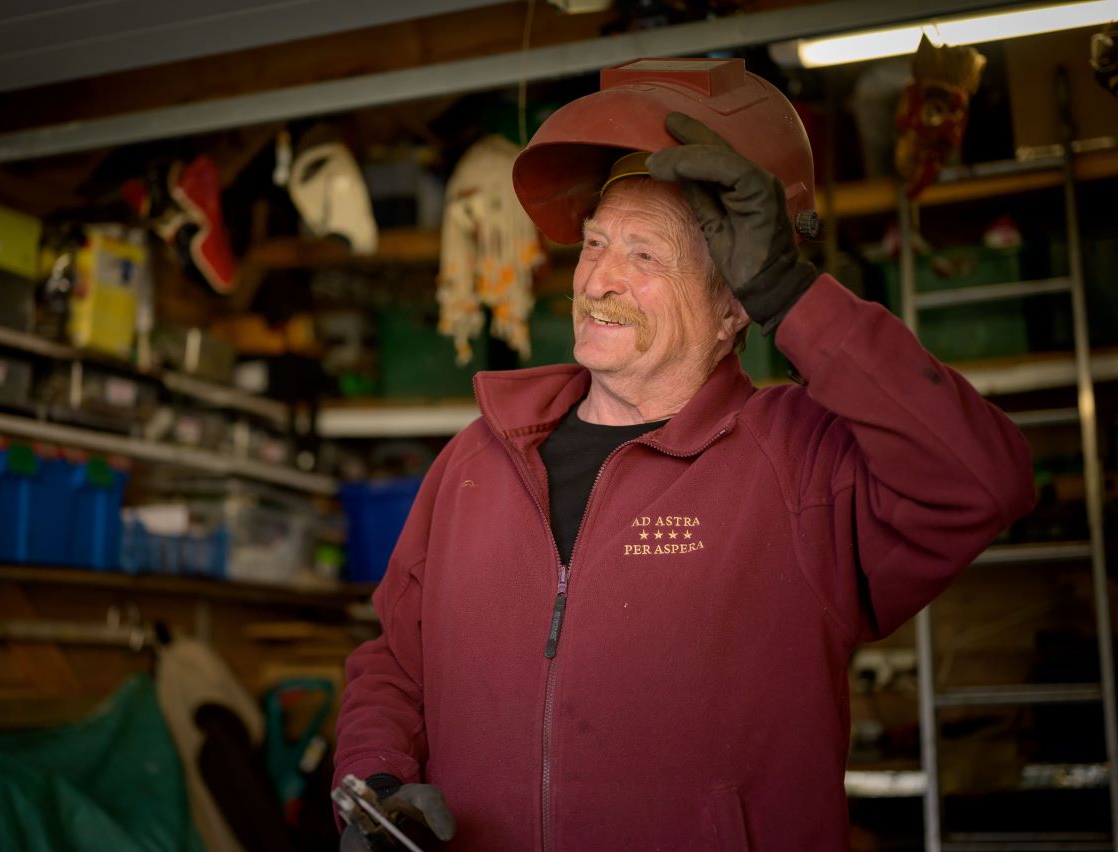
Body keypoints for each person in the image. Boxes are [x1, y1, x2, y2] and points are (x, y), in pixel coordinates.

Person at [333, 58, 1036, 851]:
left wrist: (793, 293)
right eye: (595, 243)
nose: (599, 278)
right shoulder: (476, 459)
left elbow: (983, 482)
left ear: (735, 303)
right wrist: (377, 781)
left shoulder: (801, 461)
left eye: (645, 256)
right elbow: (395, 659)